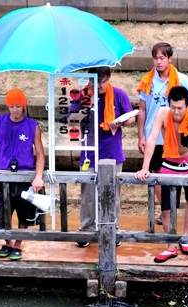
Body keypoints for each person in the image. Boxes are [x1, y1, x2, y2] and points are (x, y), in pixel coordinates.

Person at [136, 86, 188, 263]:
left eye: (180, 108)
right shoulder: (163, 113)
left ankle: (185, 237)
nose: (177, 111)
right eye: (173, 107)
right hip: (170, 162)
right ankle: (171, 245)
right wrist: (145, 167)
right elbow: (151, 139)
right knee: (166, 208)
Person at [0, 89, 45, 261]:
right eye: (11, 106)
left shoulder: (33, 126)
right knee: (0, 213)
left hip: (24, 176)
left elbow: (40, 154)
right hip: (4, 177)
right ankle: (8, 242)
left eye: (18, 106)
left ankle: (18, 244)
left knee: (24, 214)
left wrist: (38, 175)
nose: (15, 110)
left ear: (24, 107)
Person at [136, 42, 188, 223]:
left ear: (170, 59)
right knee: (156, 174)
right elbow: (142, 110)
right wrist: (141, 136)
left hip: (175, 137)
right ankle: (165, 211)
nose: (158, 62)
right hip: (153, 136)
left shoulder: (182, 80)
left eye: (162, 58)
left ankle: (179, 210)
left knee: (178, 174)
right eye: (155, 58)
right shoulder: (147, 80)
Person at [77, 66, 134, 245]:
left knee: (112, 194)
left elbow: (131, 117)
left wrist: (120, 123)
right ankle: (86, 230)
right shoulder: (82, 96)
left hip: (112, 152)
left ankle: (112, 229)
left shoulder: (119, 95)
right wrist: (87, 108)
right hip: (89, 153)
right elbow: (71, 118)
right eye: (95, 82)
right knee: (87, 194)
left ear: (109, 78)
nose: (99, 86)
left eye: (103, 81)